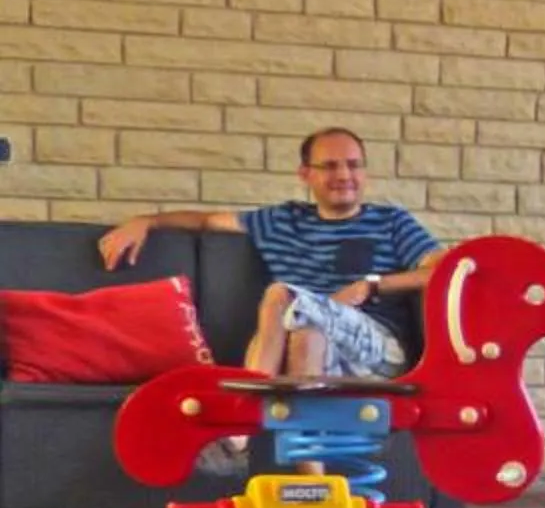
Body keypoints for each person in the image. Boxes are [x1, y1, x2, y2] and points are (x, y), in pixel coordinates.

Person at [98, 128, 442, 381]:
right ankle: (313, 478)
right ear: (305, 174)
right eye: (330, 166)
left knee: (281, 293)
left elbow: (444, 271)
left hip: (381, 350)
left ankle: (241, 423)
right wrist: (147, 221)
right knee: (306, 331)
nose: (344, 175)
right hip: (313, 343)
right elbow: (206, 221)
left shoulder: (391, 221)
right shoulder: (279, 221)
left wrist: (374, 285)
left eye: (353, 165)